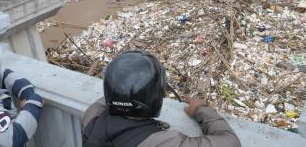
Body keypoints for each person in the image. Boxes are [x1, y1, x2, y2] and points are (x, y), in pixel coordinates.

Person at [81, 50, 241, 147]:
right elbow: (231, 142)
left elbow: (114, 93)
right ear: (154, 99)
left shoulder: (91, 117)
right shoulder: (161, 142)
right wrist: (201, 110)